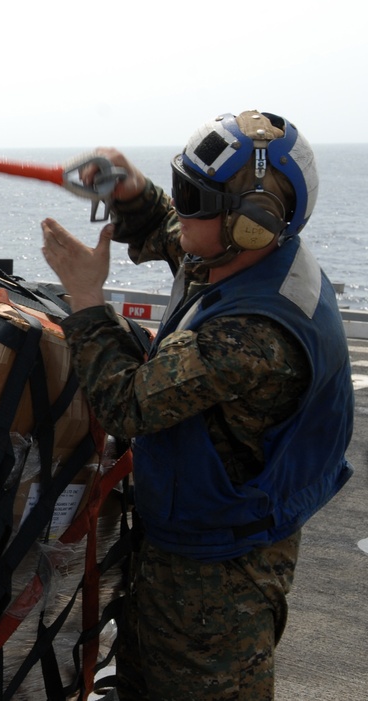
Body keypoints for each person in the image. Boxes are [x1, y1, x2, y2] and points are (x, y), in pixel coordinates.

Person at [40, 110, 354, 700]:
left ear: (254, 224)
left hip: (217, 576)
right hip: (199, 537)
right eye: (180, 185)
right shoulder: (245, 255)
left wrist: (86, 298)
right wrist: (127, 191)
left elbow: (127, 405)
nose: (181, 206)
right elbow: (171, 227)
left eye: (194, 195)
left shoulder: (253, 335)